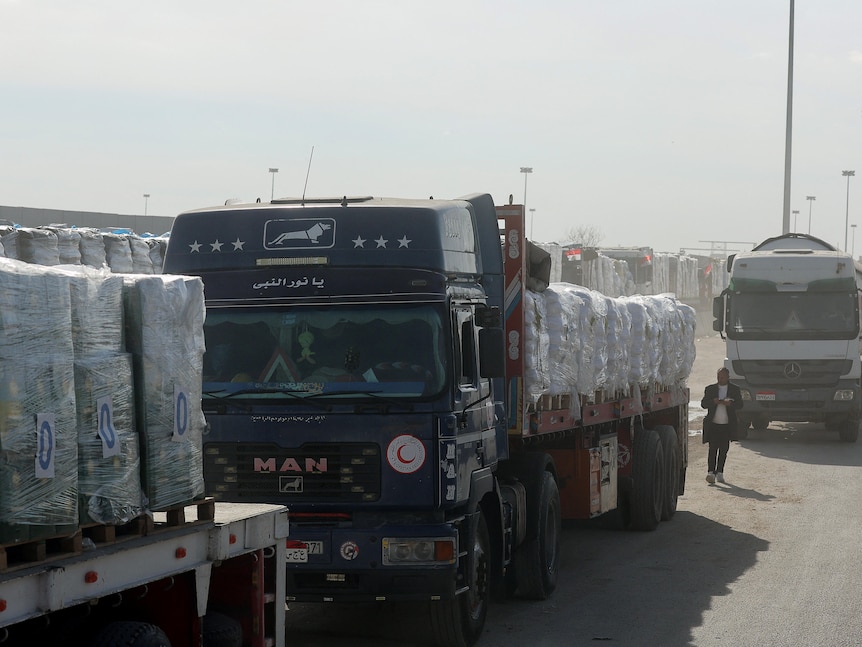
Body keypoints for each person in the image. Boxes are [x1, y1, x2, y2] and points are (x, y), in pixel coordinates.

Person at [701, 367, 743, 484]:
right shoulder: (710, 389)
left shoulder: (734, 389)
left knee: (724, 449)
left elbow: (740, 404)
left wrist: (730, 403)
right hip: (713, 424)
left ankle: (720, 472)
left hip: (727, 425)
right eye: (718, 377)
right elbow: (703, 404)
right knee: (712, 449)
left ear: (728, 377)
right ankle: (710, 472)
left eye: (723, 377)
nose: (720, 379)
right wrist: (713, 402)